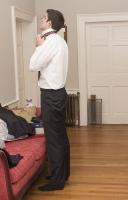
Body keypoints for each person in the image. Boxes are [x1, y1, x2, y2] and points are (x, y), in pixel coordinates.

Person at [29, 9, 70, 191]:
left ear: (50, 23)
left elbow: (33, 65)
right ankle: (61, 174)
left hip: (51, 95)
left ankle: (57, 181)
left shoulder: (50, 42)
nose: (41, 19)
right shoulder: (59, 40)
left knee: (54, 138)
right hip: (57, 93)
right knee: (60, 136)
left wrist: (38, 46)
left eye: (44, 18)